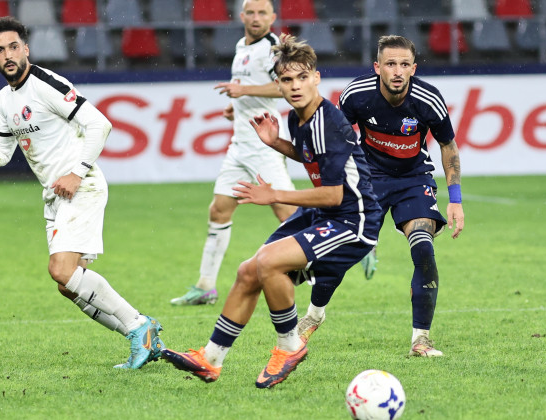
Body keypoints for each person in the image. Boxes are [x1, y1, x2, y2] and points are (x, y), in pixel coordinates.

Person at [0, 16, 163, 369]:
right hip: (55, 195)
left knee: (60, 269)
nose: (8, 55)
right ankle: (145, 339)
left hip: (80, 186)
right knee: (69, 284)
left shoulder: (46, 83)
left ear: (26, 49)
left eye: (13, 47)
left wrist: (76, 172)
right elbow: (2, 152)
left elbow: (100, 124)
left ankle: (139, 326)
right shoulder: (4, 99)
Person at [160, 34, 382, 388]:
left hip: (353, 219)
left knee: (268, 263)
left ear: (316, 78)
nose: (295, 86)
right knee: (249, 270)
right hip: (329, 214)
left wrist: (273, 195)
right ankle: (211, 358)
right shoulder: (298, 118)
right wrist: (277, 144)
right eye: (287, 80)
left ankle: (289, 346)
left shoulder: (329, 121)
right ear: (278, 84)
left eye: (301, 78)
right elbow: (312, 157)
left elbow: (333, 195)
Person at [298, 35, 465, 357]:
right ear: (378, 67)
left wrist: (455, 199)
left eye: (404, 64)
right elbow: (336, 145)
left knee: (423, 247)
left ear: (413, 68)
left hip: (413, 180)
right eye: (390, 64)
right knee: (342, 251)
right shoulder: (357, 95)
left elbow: (449, 147)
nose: (398, 71)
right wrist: (333, 188)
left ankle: (421, 339)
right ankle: (314, 314)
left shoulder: (428, 99)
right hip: (368, 179)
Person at [170, 0, 296, 306]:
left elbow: (285, 87)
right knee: (219, 210)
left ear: (272, 17)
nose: (256, 18)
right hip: (239, 144)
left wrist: (244, 92)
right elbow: (251, 86)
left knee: (287, 212)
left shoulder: (274, 48)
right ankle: (205, 286)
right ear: (241, 16)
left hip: (264, 144)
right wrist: (236, 105)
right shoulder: (242, 46)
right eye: (250, 12)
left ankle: (325, 262)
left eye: (262, 13)